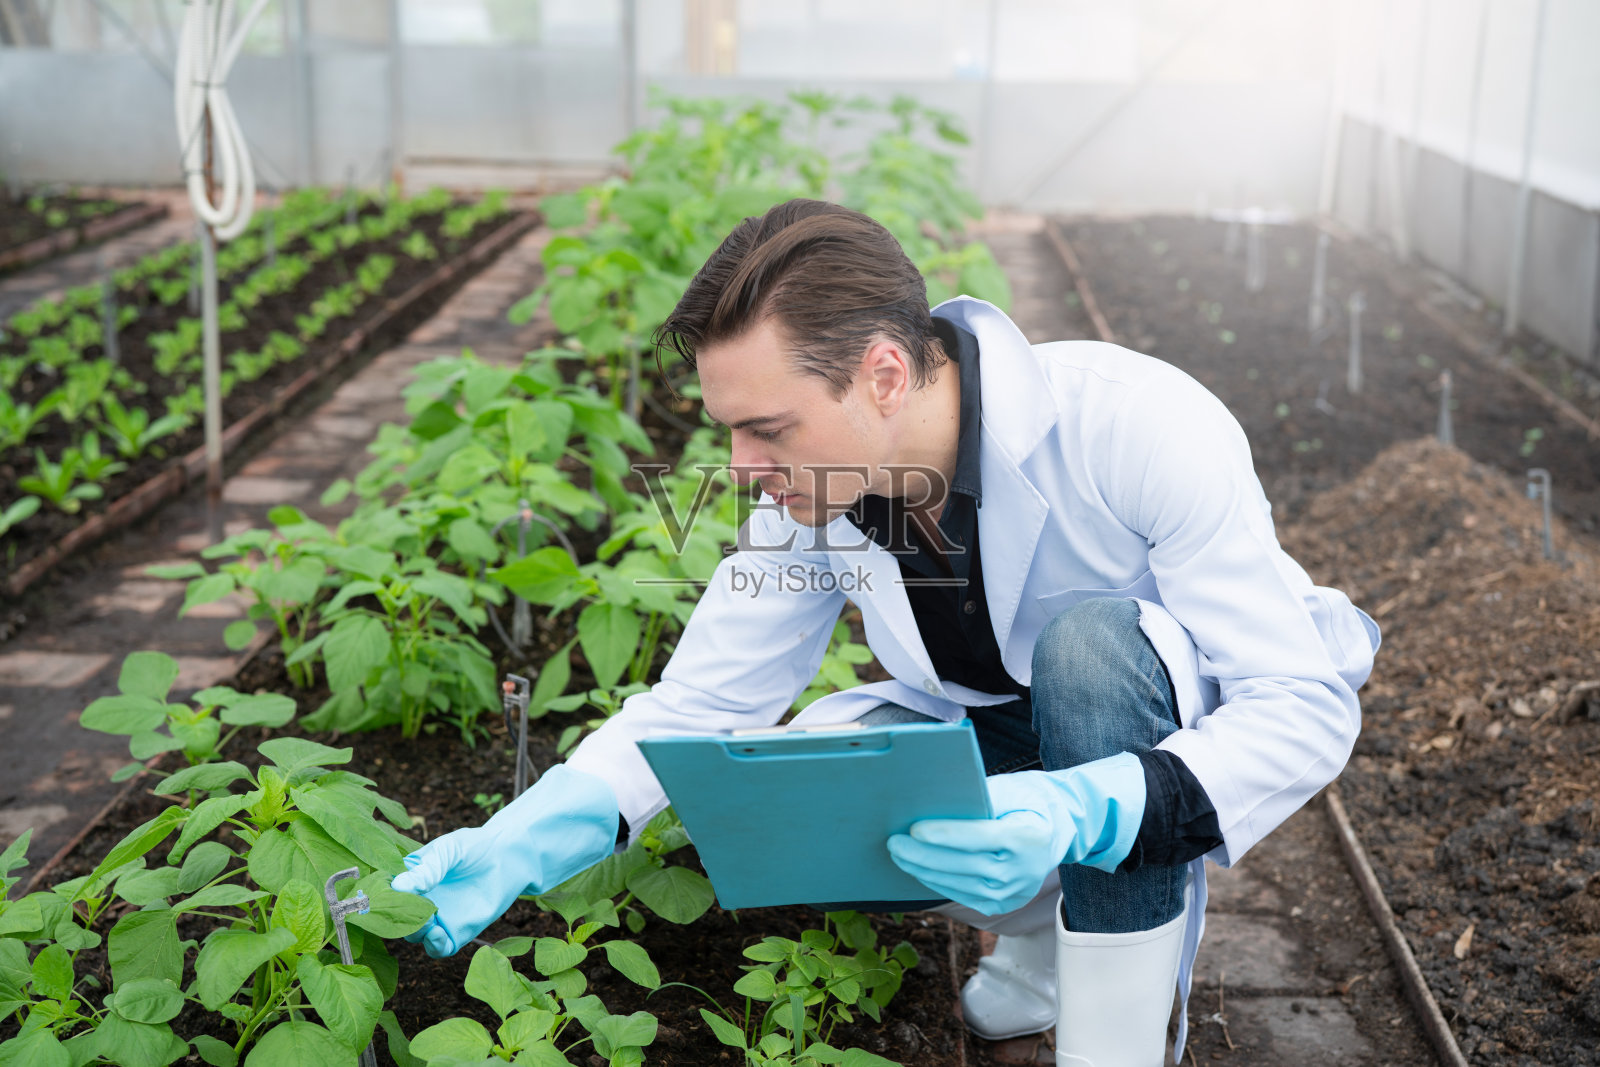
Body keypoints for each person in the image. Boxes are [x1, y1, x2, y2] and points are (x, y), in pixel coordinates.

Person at [392, 199, 1381, 1067]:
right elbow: (705, 698)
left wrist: (1083, 809)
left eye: (768, 428)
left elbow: (1300, 708)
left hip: (1154, 742)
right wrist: (524, 838)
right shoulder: (816, 488)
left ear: (884, 374)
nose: (739, 466)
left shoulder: (1136, 425)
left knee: (1089, 650)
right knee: (813, 788)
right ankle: (1041, 936)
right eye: (730, 430)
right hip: (1002, 732)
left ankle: (1114, 1042)